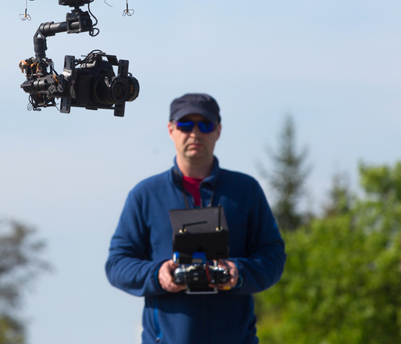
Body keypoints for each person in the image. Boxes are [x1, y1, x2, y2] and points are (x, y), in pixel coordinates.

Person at [105, 93, 285, 344]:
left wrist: (238, 272)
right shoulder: (145, 195)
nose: (195, 133)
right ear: (170, 129)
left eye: (206, 124)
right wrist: (158, 274)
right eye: (185, 124)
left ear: (218, 130)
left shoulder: (246, 191)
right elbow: (117, 264)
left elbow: (273, 256)